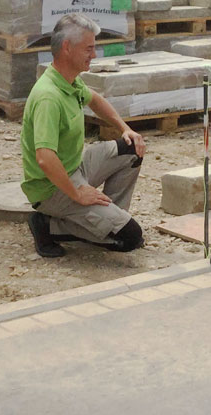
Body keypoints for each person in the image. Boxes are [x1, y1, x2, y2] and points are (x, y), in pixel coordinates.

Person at [21, 14, 146, 258]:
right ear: (67, 48)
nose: (95, 54)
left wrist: (125, 128)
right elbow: (45, 158)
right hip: (53, 189)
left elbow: (96, 100)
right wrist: (77, 194)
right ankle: (48, 226)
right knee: (131, 238)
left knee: (131, 148)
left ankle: (106, 220)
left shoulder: (68, 80)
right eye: (89, 48)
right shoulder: (49, 96)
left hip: (75, 168)